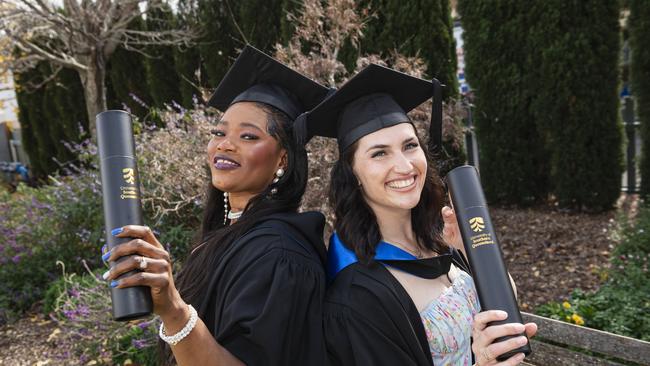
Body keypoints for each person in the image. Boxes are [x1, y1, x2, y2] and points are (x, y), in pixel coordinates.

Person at [100, 45, 331, 366]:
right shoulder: (231, 234)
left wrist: (174, 309)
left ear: (283, 158)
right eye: (218, 132)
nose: (224, 143)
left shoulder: (281, 256)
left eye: (248, 137)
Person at [301, 64, 537, 366]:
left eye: (410, 146)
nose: (404, 166)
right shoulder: (357, 295)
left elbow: (505, 310)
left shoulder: (440, 241)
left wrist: (472, 250)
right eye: (379, 153)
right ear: (353, 173)